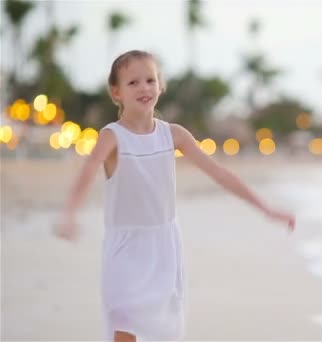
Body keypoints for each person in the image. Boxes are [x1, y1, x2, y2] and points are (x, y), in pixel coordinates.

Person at [55, 50, 295, 342]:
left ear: (160, 85)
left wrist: (267, 209)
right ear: (115, 92)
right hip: (125, 248)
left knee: (162, 330)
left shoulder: (174, 135)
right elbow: (87, 171)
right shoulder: (113, 136)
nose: (144, 87)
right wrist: (70, 213)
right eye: (133, 83)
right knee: (124, 322)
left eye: (150, 80)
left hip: (164, 247)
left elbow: (219, 174)